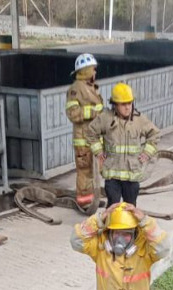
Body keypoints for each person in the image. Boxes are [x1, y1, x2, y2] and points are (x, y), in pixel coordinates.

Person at [85, 83, 160, 206]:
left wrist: (147, 152)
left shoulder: (139, 120)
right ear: (114, 104)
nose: (127, 107)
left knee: (130, 207)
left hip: (132, 175)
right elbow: (90, 132)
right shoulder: (106, 119)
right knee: (113, 207)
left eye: (129, 103)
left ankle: (129, 226)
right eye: (123, 104)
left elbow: (155, 134)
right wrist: (98, 151)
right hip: (112, 174)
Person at [66, 53, 105, 209]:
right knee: (85, 172)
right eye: (93, 70)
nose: (95, 73)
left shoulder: (91, 87)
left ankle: (93, 198)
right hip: (83, 140)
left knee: (95, 170)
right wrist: (93, 112)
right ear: (86, 70)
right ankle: (84, 203)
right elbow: (73, 113)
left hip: (94, 138)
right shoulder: (75, 89)